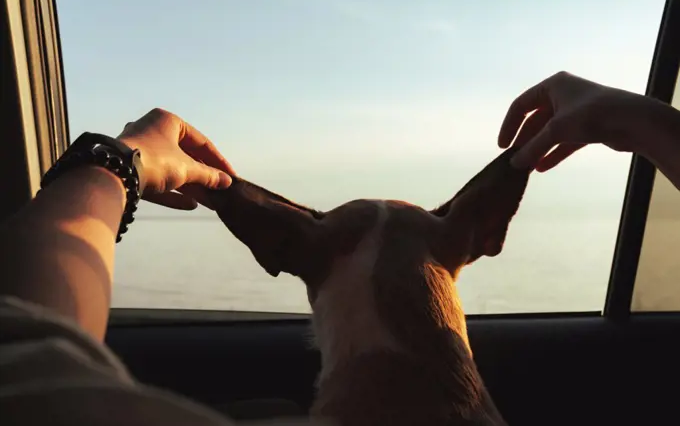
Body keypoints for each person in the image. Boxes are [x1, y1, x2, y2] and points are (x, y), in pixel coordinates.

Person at [1, 71, 679, 425]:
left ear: (278, 248)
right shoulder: (457, 238)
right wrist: (640, 120)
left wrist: (115, 163)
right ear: (482, 236)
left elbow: (22, 361)